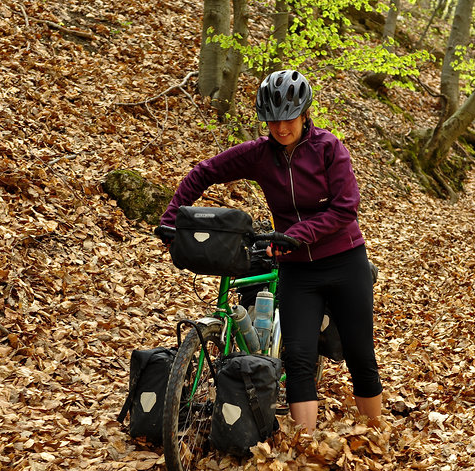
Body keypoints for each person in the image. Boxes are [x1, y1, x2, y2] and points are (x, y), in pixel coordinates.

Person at [158, 69, 382, 433]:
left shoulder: (329, 148)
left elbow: (345, 208)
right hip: (297, 271)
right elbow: (204, 172)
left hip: (345, 261)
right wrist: (171, 219)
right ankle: (305, 443)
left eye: (288, 118)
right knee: (298, 359)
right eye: (272, 121)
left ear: (305, 113)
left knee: (360, 355)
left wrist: (297, 233)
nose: (280, 128)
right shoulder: (259, 154)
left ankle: (376, 434)